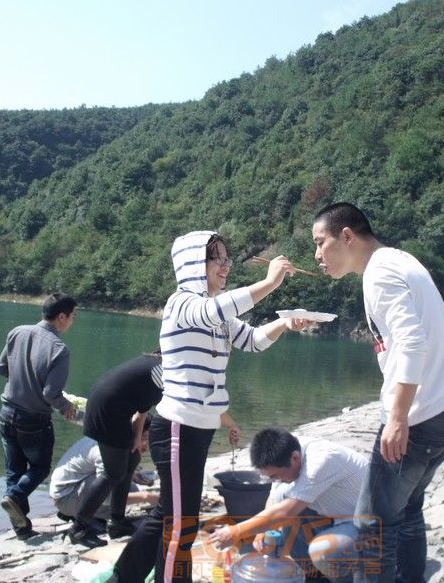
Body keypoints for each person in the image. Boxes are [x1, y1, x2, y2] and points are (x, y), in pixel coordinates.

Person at [112, 231, 313, 583]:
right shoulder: (183, 303)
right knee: (181, 526)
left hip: (200, 429)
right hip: (176, 428)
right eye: (216, 258)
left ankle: (124, 575)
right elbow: (212, 310)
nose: (225, 265)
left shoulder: (217, 313)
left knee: (171, 515)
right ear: (193, 264)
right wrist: (269, 282)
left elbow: (251, 340)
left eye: (226, 258)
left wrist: (283, 322)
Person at [312, 203, 444, 583]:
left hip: (416, 419)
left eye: (320, 243)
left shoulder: (379, 274)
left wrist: (397, 418)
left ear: (346, 235)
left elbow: (413, 343)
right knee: (406, 513)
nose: (316, 255)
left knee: (370, 524)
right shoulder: (399, 261)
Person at [210, 428, 368, 582]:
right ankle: (311, 575)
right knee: (283, 504)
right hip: (333, 513)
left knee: (323, 551)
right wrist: (262, 531)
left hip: (364, 521)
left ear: (295, 459)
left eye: (275, 476)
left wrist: (237, 531)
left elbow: (284, 513)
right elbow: (275, 497)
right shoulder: (288, 450)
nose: (275, 480)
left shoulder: (321, 461)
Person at [0, 292, 79, 540]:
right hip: (33, 419)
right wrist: (67, 407)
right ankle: (15, 497)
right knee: (40, 468)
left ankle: (21, 528)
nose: (73, 321)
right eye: (73, 316)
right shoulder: (59, 349)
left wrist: (22, 381)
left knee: (14, 470)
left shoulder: (17, 331)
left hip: (6, 412)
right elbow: (51, 393)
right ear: (61, 316)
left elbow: (1, 368)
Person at [65, 354, 165, 548]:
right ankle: (78, 528)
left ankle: (116, 522)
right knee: (113, 473)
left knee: (132, 458)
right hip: (107, 411)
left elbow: (142, 409)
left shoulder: (154, 365)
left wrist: (137, 438)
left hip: (112, 408)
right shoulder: (161, 370)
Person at [50, 429, 159, 525]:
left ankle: (87, 514)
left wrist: (133, 476)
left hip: (76, 486)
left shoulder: (112, 436)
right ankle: (81, 517)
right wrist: (147, 497)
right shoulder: (104, 451)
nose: (147, 445)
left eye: (150, 439)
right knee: (117, 504)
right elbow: (105, 495)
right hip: (65, 498)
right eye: (144, 438)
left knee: (130, 489)